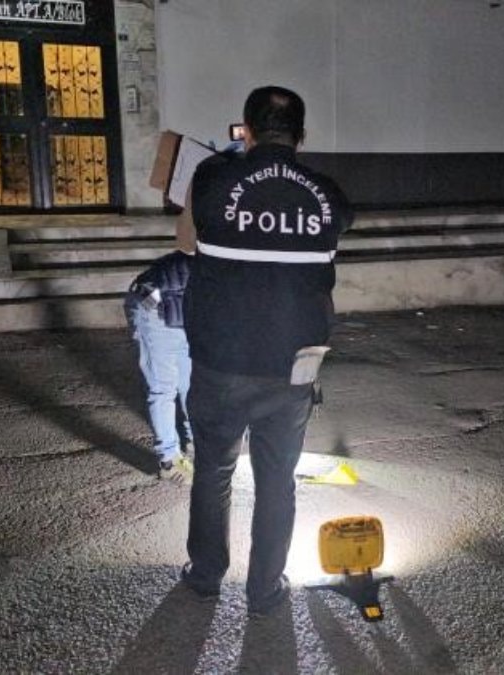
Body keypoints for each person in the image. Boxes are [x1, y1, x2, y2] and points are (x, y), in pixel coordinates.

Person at [177, 85, 354, 615]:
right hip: (294, 363)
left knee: (214, 470)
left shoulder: (212, 178)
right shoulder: (328, 196)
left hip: (222, 360)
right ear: (302, 136)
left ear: (246, 131)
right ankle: (265, 589)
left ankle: (206, 575)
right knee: (277, 480)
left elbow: (185, 243)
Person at [125, 249, 195, 483]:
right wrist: (145, 319)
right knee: (163, 388)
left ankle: (196, 445)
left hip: (180, 311)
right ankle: (169, 461)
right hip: (154, 305)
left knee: (191, 385)